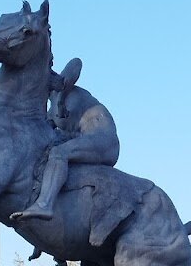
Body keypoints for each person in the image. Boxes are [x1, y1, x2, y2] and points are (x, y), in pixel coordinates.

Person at [13, 57, 120, 221]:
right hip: (84, 144)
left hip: (102, 139)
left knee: (59, 153)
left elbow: (76, 64)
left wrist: (61, 99)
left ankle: (45, 205)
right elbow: (41, 134)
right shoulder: (50, 112)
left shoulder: (63, 87)